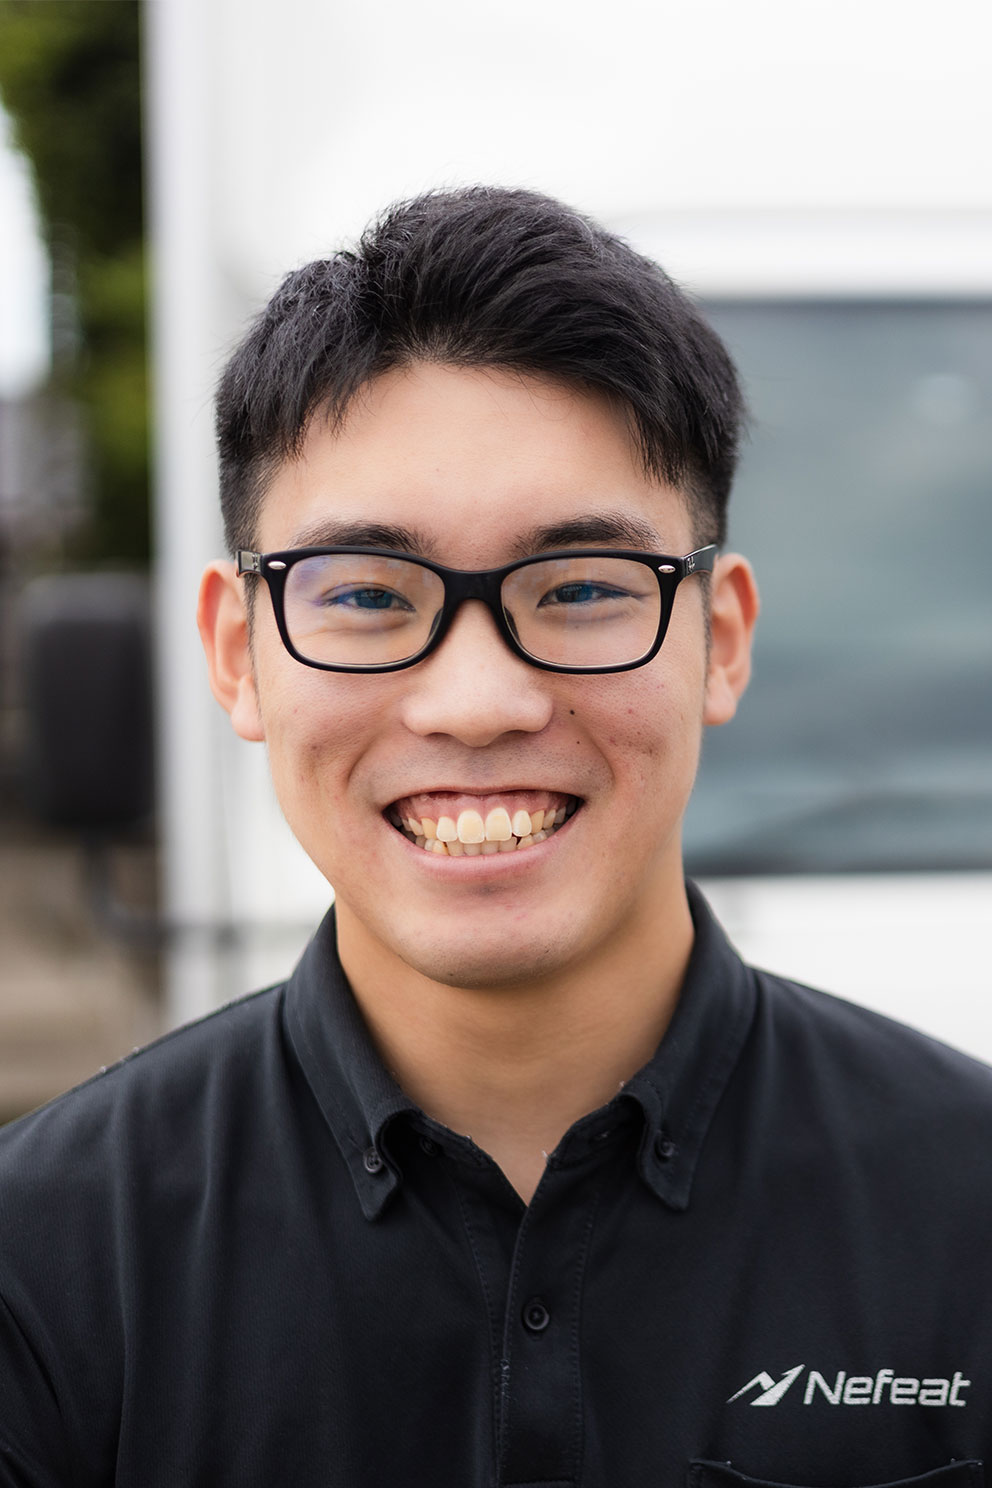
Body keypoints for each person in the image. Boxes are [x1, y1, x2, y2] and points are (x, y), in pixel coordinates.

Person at [1, 187, 990, 1488]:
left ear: (721, 639)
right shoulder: (47, 1260)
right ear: (239, 654)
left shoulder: (968, 1204)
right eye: (367, 595)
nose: (476, 702)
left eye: (579, 587)